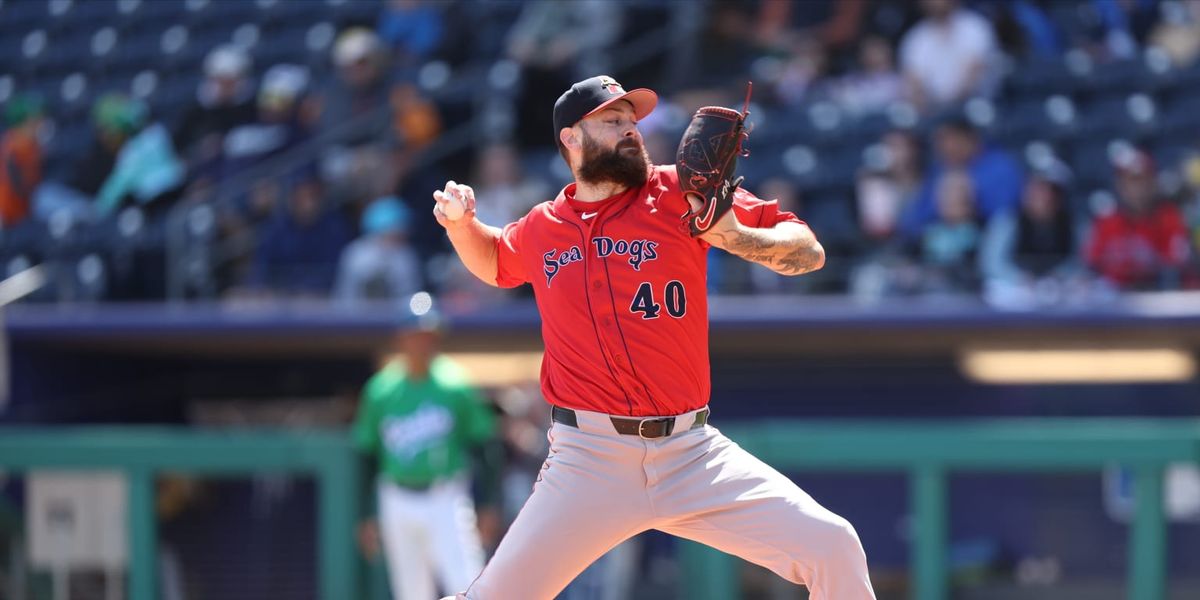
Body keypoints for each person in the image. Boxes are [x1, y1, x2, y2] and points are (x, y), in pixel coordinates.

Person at [431, 75, 875, 599]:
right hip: (588, 460)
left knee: (833, 544)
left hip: (691, 452)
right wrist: (461, 225)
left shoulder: (678, 195)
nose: (631, 130)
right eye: (613, 121)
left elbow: (808, 250)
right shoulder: (543, 225)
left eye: (632, 120)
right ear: (571, 138)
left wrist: (734, 235)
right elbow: (496, 260)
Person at [352, 294, 500, 600]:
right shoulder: (381, 391)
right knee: (411, 592)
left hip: (446, 495)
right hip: (396, 496)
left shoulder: (455, 384)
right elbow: (367, 457)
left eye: (428, 334)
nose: (422, 342)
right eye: (416, 334)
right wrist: (365, 515)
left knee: (468, 583)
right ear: (401, 338)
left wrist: (487, 504)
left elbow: (483, 446)